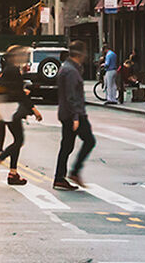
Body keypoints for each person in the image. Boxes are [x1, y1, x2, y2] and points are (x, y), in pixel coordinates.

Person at [0, 46, 42, 185]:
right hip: (11, 108)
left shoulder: (8, 69)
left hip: (7, 108)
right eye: (22, 55)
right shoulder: (12, 70)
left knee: (17, 140)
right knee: (19, 140)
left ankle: (13, 173)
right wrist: (33, 109)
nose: (24, 58)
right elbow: (18, 93)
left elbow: (9, 89)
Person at [53, 40, 96, 191]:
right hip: (74, 114)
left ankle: (59, 178)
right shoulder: (70, 71)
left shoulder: (69, 68)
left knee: (66, 146)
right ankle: (74, 172)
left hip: (67, 113)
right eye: (84, 52)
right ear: (80, 54)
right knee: (89, 141)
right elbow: (72, 96)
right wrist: (76, 117)